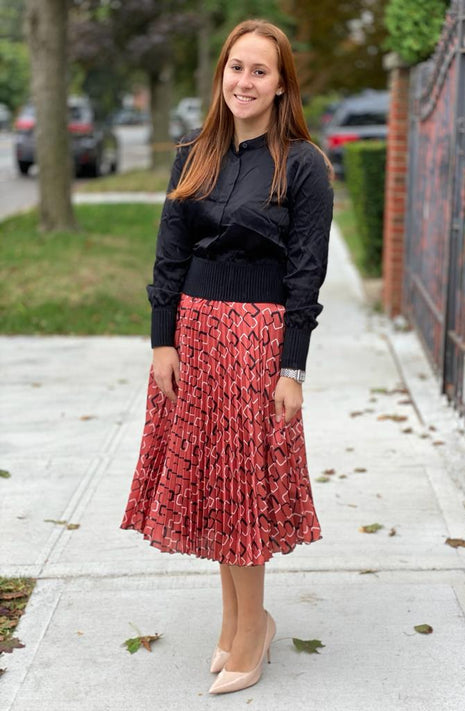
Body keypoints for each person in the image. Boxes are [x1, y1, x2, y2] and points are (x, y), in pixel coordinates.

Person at [119, 18, 334, 695]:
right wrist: (161, 340)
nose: (245, 80)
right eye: (236, 67)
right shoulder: (193, 154)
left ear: (279, 86)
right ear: (222, 75)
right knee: (214, 487)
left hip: (255, 341)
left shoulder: (301, 164)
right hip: (194, 335)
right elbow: (168, 255)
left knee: (243, 492)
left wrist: (291, 369)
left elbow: (306, 275)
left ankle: (250, 633)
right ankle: (238, 619)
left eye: (260, 71)